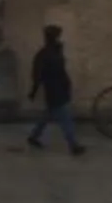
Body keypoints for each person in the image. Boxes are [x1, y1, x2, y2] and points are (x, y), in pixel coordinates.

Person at [27, 24, 85, 155]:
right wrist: (33, 91)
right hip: (54, 90)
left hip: (58, 89)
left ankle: (34, 136)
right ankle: (73, 145)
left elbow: (59, 71)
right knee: (66, 118)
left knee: (47, 115)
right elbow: (38, 75)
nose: (58, 39)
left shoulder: (53, 51)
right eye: (56, 36)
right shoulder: (46, 54)